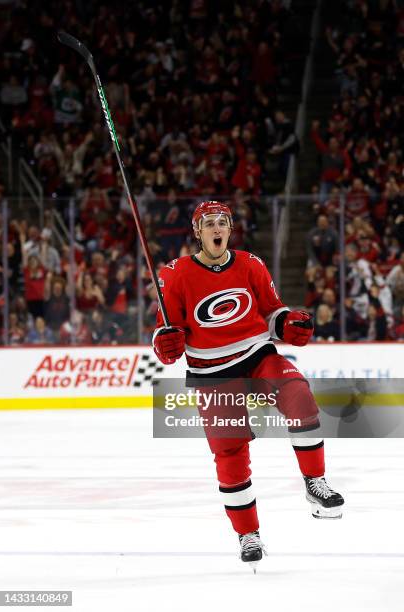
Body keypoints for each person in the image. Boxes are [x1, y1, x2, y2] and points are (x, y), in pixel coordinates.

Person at [152, 201, 344, 571]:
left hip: (256, 354)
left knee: (299, 396)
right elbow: (167, 333)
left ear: (230, 228)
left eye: (223, 222)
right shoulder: (174, 275)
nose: (216, 228)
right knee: (230, 453)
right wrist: (164, 342)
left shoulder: (250, 263)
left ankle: (315, 481)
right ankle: (248, 534)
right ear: (197, 232)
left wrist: (287, 322)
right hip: (212, 373)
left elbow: (272, 311)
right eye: (209, 223)